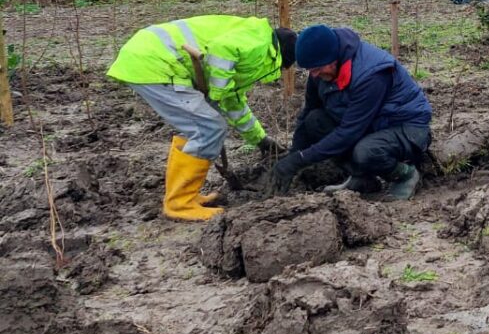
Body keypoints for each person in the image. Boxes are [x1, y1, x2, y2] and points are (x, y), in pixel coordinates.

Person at [107, 16, 295, 220]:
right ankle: (179, 204)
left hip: (149, 57)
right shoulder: (259, 46)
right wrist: (216, 92)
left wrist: (261, 140)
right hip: (155, 63)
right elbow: (222, 50)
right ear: (282, 59)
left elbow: (233, 102)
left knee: (202, 126)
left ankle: (186, 196)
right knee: (209, 128)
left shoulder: (254, 38)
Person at [267, 25, 433, 200]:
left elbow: (349, 132)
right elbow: (308, 110)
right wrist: (294, 154)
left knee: (366, 152)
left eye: (316, 69)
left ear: (332, 59)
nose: (313, 74)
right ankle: (362, 178)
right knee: (315, 121)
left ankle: (405, 175)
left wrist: (299, 161)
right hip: (370, 124)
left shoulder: (371, 75)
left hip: (407, 127)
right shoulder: (319, 68)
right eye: (310, 70)